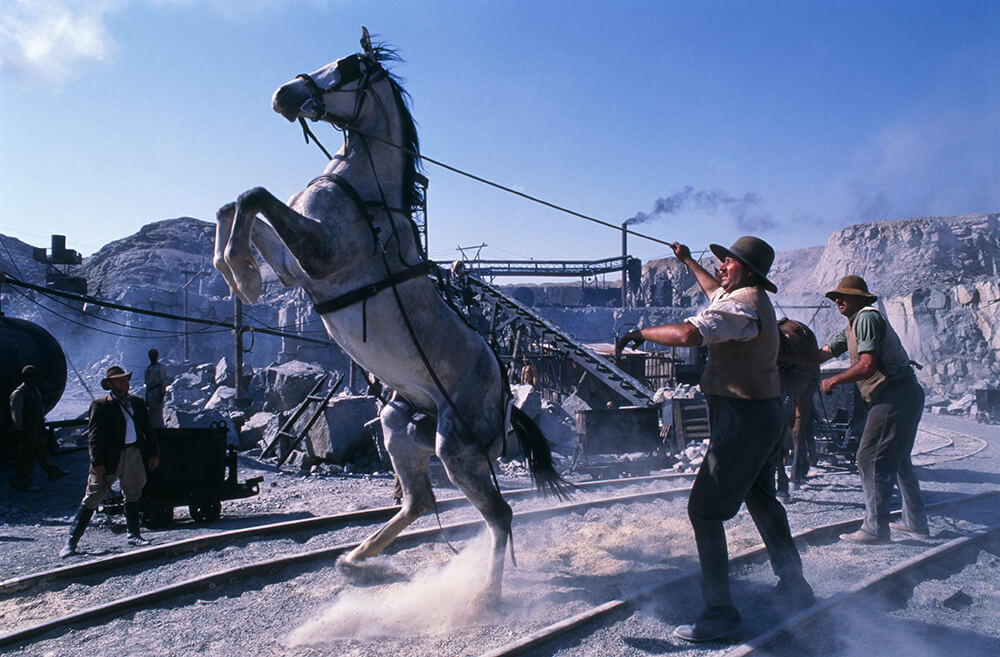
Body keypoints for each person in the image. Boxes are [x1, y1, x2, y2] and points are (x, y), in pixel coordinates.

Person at [616, 236, 814, 642]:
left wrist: (642, 333)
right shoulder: (743, 295)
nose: (721, 265)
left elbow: (691, 335)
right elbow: (712, 290)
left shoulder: (741, 308)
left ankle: (720, 613)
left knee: (704, 512)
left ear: (748, 270)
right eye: (722, 260)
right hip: (762, 413)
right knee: (761, 498)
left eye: (730, 261)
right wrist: (687, 260)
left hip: (743, 419)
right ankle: (794, 585)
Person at [816, 275, 928, 543]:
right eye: (835, 298)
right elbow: (823, 353)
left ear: (860, 299)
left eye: (844, 296)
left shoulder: (866, 318)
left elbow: (868, 364)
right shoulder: (853, 325)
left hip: (894, 394)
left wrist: (833, 379)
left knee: (869, 457)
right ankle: (915, 523)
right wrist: (787, 357)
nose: (838, 301)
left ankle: (875, 529)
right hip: (904, 393)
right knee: (899, 459)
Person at [60, 366, 160, 558]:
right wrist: (97, 462)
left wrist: (153, 453)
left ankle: (134, 534)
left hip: (133, 452)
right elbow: (95, 437)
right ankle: (71, 542)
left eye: (125, 380)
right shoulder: (101, 405)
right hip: (110, 457)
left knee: (133, 493)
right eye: (119, 380)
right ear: (111, 384)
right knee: (93, 497)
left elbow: (148, 430)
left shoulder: (137, 403)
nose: (124, 383)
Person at [8, 364, 67, 491]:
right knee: (27, 457)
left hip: (38, 427)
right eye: (30, 376)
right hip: (27, 429)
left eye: (35, 376)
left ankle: (52, 471)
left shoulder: (35, 391)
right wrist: (18, 430)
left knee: (43, 453)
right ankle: (24, 482)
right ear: (25, 378)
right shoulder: (19, 393)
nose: (33, 379)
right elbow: (16, 413)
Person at [144, 348, 169, 428]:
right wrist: (147, 397)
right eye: (151, 356)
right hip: (150, 393)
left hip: (157, 392)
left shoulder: (160, 368)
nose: (152, 357)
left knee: (158, 414)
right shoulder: (148, 368)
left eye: (154, 355)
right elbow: (147, 384)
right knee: (151, 414)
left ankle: (160, 429)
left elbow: (163, 381)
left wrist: (161, 395)